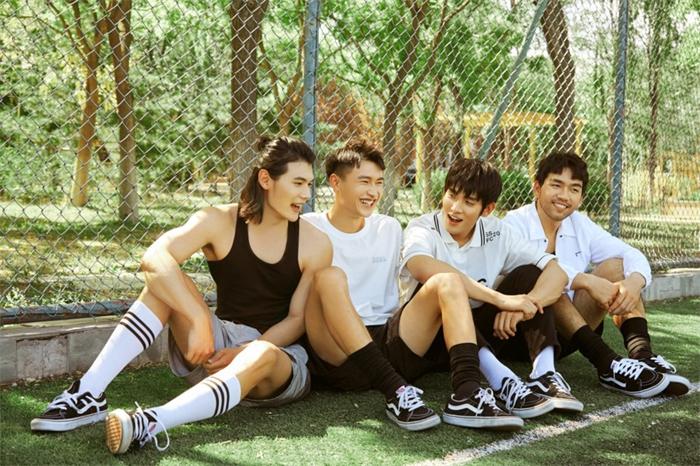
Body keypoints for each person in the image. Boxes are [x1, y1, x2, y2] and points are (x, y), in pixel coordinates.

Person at [31, 136, 333, 454]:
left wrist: (245, 350)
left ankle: (151, 422)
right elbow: (154, 257)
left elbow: (298, 319)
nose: (306, 195)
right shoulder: (219, 220)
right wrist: (198, 316)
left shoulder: (316, 243)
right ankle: (89, 394)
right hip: (216, 349)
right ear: (266, 179)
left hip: (277, 360)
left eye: (309, 184)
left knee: (262, 354)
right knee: (163, 283)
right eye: (298, 183)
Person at [302, 140, 522, 431]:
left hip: (388, 342)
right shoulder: (308, 226)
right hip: (336, 351)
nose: (373, 192)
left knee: (447, 280)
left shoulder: (389, 228)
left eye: (379, 182)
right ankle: (394, 390)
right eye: (364, 181)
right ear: (335, 182)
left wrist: (501, 298)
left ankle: (467, 392)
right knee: (330, 277)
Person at [401, 157, 584, 418]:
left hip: (482, 331)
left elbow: (556, 272)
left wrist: (525, 305)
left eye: (468, 202)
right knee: (442, 286)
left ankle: (544, 374)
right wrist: (501, 300)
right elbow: (420, 266)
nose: (455, 208)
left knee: (531, 273)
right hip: (431, 337)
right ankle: (502, 380)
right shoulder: (423, 227)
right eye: (451, 195)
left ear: (487, 209)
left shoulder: (496, 231)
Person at [503, 152, 686, 396]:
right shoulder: (513, 223)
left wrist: (635, 281)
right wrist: (586, 281)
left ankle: (642, 356)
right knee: (548, 281)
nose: (564, 195)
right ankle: (606, 364)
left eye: (574, 189)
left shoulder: (579, 224)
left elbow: (630, 254)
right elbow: (538, 266)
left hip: (570, 335)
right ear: (537, 187)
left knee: (617, 266)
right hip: (522, 334)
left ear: (580, 198)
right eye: (556, 185)